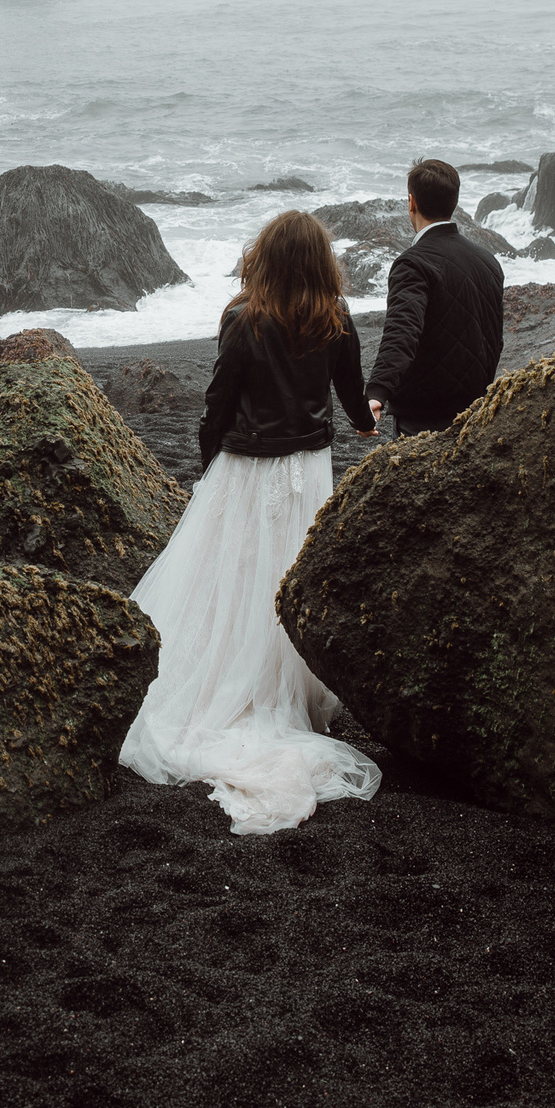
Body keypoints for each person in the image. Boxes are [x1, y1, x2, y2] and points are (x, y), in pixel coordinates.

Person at [118, 209, 383, 834]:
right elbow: (351, 396)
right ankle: (295, 693)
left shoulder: (243, 318)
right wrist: (369, 423)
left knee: (232, 577)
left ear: (263, 256)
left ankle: (230, 684)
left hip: (249, 465)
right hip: (310, 466)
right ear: (320, 261)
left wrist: (210, 467)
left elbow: (219, 401)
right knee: (290, 571)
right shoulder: (336, 317)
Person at [365, 159, 505, 438]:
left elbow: (402, 330)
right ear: (454, 202)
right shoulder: (487, 260)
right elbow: (495, 336)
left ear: (411, 203)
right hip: (476, 411)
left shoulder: (413, 263)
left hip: (423, 417)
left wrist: (378, 390)